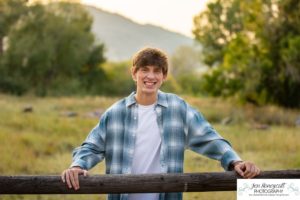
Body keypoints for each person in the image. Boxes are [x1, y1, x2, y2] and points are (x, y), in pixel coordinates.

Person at [61, 47, 260, 200]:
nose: (150, 76)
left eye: (157, 71)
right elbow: (92, 146)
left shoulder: (178, 108)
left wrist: (236, 161)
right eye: (144, 70)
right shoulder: (115, 113)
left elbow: (210, 138)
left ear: (164, 76)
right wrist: (78, 165)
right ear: (134, 73)